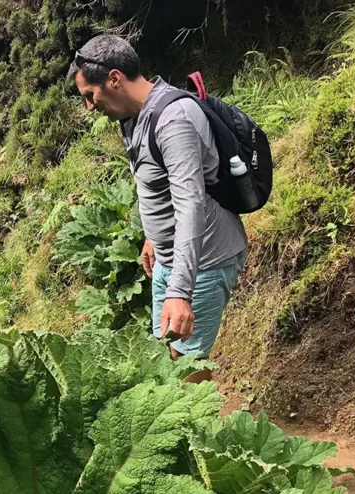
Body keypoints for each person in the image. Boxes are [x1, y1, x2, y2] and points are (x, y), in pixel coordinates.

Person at [68, 34, 247, 382]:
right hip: (169, 257)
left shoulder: (173, 119)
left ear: (115, 79)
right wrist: (153, 236)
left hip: (205, 261)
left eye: (90, 95)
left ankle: (202, 434)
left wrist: (180, 292)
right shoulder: (135, 117)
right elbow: (155, 186)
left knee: (185, 368)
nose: (89, 106)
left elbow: (190, 204)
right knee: (167, 356)